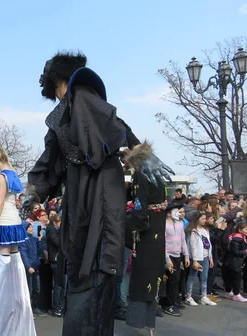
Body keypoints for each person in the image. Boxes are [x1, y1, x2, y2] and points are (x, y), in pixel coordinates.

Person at [28, 51, 173, 336]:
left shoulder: (81, 94)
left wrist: (140, 154)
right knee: (84, 265)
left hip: (99, 189)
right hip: (80, 191)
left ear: (56, 77)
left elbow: (112, 122)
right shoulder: (62, 111)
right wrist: (35, 192)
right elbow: (51, 158)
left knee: (95, 262)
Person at [0, 149, 35, 336]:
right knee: (14, 265)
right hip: (14, 222)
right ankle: (13, 308)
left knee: (3, 268)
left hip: (4, 222)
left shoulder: (2, 176)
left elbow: (0, 203)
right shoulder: (13, 175)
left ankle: (1, 311)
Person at [125, 167, 167, 334]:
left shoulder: (141, 176)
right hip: (158, 228)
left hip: (147, 233)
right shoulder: (157, 175)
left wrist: (134, 226)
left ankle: (139, 319)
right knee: (154, 275)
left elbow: (139, 207)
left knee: (143, 277)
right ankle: (150, 321)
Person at [222, 221, 247, 302]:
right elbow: (236, 252)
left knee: (230, 278)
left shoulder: (239, 237)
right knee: (236, 278)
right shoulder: (237, 239)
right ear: (240, 230)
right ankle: (236, 294)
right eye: (246, 229)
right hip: (234, 262)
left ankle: (228, 292)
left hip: (232, 261)